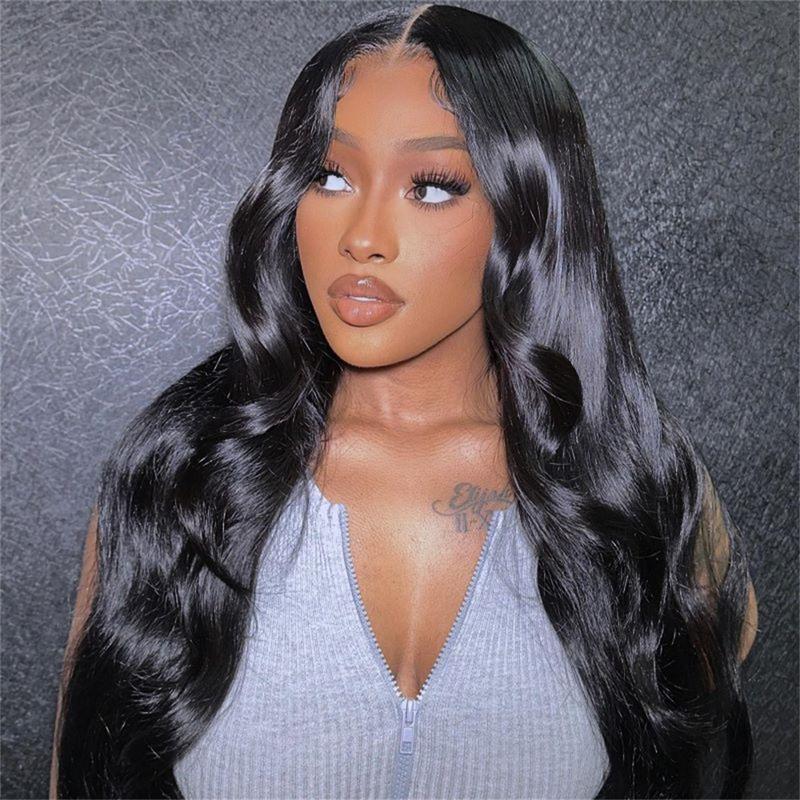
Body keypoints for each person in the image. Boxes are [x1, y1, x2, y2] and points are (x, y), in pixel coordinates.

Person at [50, 3, 759, 798]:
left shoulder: (634, 491)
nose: (362, 236)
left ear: (526, 211)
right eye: (331, 176)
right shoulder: (181, 477)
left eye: (431, 187)